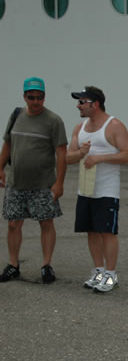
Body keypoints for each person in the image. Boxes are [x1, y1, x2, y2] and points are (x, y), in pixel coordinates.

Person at [66, 86, 128, 293]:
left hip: (107, 190)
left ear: (94, 104)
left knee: (107, 233)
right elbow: (68, 158)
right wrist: (81, 153)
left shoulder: (114, 126)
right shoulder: (80, 127)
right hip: (86, 190)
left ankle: (111, 275)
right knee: (91, 231)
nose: (78, 106)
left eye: (81, 102)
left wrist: (99, 157)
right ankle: (98, 270)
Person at [0, 77, 67, 284]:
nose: (36, 101)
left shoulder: (53, 121)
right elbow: (8, 145)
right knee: (13, 224)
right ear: (24, 96)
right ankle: (13, 265)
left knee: (46, 223)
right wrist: (0, 168)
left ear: (44, 97)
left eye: (40, 97)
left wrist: (59, 182)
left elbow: (61, 154)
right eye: (31, 97)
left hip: (42, 184)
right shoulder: (16, 116)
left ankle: (46, 266)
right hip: (16, 183)